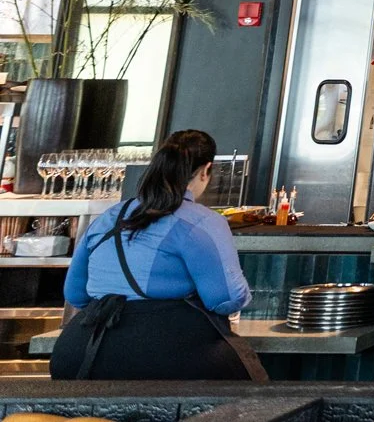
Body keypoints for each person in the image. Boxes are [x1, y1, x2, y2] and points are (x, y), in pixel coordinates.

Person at [53, 130, 261, 381]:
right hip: (163, 353)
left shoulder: (108, 217)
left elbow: (75, 294)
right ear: (206, 170)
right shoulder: (203, 221)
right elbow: (225, 299)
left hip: (79, 352)